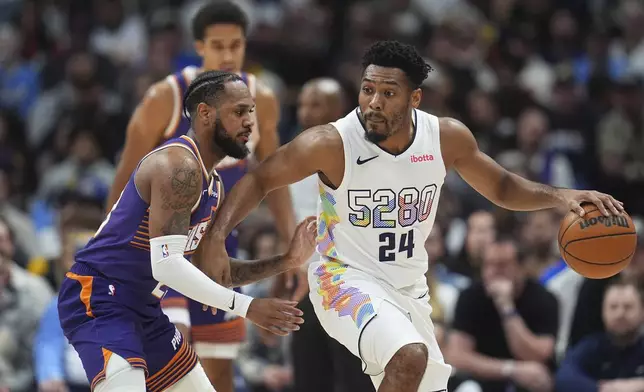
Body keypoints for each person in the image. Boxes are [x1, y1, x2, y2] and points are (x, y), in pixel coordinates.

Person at [206, 41, 625, 392]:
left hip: (408, 289)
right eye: (367, 89)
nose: (373, 102)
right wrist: (215, 236)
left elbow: (501, 188)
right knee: (409, 355)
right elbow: (259, 180)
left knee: (418, 371)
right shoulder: (330, 143)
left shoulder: (444, 137)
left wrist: (559, 197)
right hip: (343, 279)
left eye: (387, 93)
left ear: (414, 98)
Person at [57, 71, 315, 392]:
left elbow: (211, 270)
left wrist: (286, 261)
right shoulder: (178, 166)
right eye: (239, 112)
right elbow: (166, 265)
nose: (250, 121)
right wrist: (247, 307)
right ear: (205, 114)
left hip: (144, 309)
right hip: (100, 297)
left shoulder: (213, 185)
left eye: (251, 111)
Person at [105, 3, 296, 390]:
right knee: (173, 352)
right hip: (161, 245)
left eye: (236, 45)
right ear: (198, 46)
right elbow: (125, 174)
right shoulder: (166, 96)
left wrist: (291, 241)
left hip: (220, 244)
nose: (227, 54)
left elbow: (271, 178)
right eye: (217, 45)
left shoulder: (262, 100)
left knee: (219, 371)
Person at [278, 78, 375, 392]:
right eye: (303, 104)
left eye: (316, 104)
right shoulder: (288, 156)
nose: (306, 112)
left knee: (355, 379)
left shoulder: (364, 157)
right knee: (308, 376)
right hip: (304, 287)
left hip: (349, 284)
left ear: (339, 109)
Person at [446, 238, 559, 392]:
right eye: (488, 265)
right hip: (483, 378)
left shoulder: (543, 298)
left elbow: (538, 356)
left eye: (502, 265)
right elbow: (457, 356)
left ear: (521, 268)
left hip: (528, 383)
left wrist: (507, 308)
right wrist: (510, 369)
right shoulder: (470, 296)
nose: (493, 272)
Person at [555, 279, 644, 392]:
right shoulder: (591, 347)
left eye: (628, 307)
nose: (620, 314)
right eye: (613, 307)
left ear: (642, 312)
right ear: (603, 312)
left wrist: (639, 385)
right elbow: (564, 377)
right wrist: (602, 389)